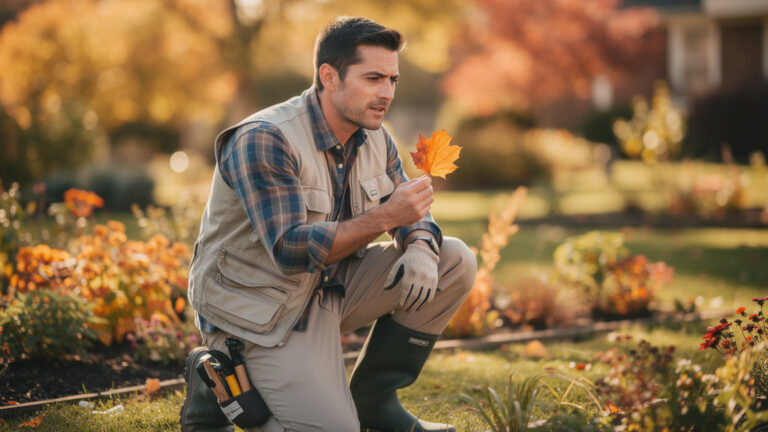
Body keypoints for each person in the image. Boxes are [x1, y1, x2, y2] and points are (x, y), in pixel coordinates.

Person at [180, 16, 477, 432]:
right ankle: (215, 386)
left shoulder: (375, 135)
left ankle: (375, 400)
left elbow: (411, 207)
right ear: (329, 76)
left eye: (393, 79)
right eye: (374, 78)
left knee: (454, 259)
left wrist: (422, 247)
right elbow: (289, 250)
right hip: (261, 312)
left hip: (330, 290)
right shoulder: (265, 139)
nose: (387, 93)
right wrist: (386, 217)